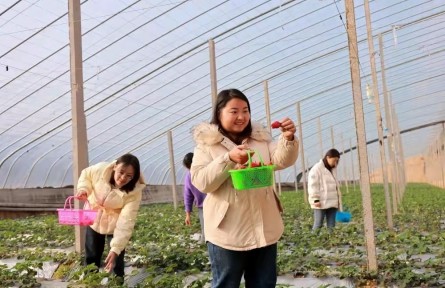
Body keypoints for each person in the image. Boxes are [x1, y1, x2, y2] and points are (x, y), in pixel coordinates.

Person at [190, 88, 299, 288]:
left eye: (245, 110)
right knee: (226, 284)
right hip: (227, 232)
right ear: (219, 113)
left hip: (264, 228)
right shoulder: (207, 146)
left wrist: (288, 139)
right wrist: (228, 159)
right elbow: (201, 181)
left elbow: (282, 160)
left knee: (264, 284)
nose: (241, 116)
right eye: (234, 111)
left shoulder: (260, 139)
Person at [75, 153, 145, 281]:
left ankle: (117, 282)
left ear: (134, 177)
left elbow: (126, 222)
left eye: (129, 176)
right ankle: (90, 282)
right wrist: (84, 189)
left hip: (115, 223)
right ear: (115, 166)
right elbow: (86, 175)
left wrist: (116, 249)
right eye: (121, 172)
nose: (123, 178)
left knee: (116, 259)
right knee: (92, 255)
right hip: (94, 217)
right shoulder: (101, 169)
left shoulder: (134, 192)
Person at [308, 148, 341, 230]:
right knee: (318, 224)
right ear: (328, 157)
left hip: (332, 202)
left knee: (331, 225)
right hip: (320, 202)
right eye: (334, 160)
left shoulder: (332, 170)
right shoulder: (317, 169)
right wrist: (315, 199)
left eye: (337, 161)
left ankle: (331, 242)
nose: (335, 163)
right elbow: (313, 185)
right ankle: (313, 241)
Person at [182, 152, 207, 243]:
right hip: (203, 206)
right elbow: (188, 195)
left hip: (214, 203)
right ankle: (207, 244)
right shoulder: (189, 177)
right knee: (206, 227)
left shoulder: (207, 171)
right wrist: (187, 214)